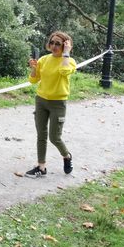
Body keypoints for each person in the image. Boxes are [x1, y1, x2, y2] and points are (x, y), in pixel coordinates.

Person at [25, 31, 76, 178]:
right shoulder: (44, 59)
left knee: (55, 137)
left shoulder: (69, 61)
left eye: (58, 44)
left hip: (58, 103)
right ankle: (41, 167)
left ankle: (67, 156)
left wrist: (66, 53)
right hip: (41, 101)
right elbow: (34, 80)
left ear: (65, 45)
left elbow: (64, 71)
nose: (54, 46)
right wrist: (34, 68)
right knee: (41, 135)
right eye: (52, 42)